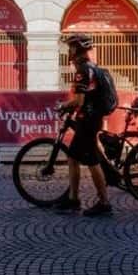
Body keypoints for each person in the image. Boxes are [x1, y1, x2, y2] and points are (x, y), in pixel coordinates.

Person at [54, 34, 112, 216]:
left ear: (76, 50)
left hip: (88, 120)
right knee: (73, 157)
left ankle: (104, 203)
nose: (68, 52)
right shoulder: (92, 68)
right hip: (90, 119)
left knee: (92, 161)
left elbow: (79, 100)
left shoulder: (82, 71)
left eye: (70, 48)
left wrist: (63, 106)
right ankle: (73, 198)